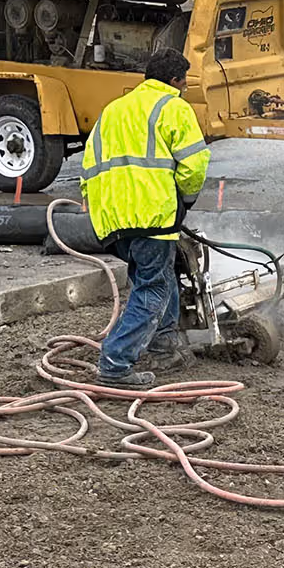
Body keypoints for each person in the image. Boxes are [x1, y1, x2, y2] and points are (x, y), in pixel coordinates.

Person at [80, 47, 211, 387]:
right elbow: (194, 165)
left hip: (111, 219)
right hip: (152, 215)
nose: (184, 88)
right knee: (152, 289)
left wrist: (100, 209)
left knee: (158, 277)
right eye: (183, 82)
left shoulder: (114, 110)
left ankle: (163, 343)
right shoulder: (173, 107)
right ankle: (115, 363)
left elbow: (88, 166)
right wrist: (186, 200)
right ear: (174, 80)